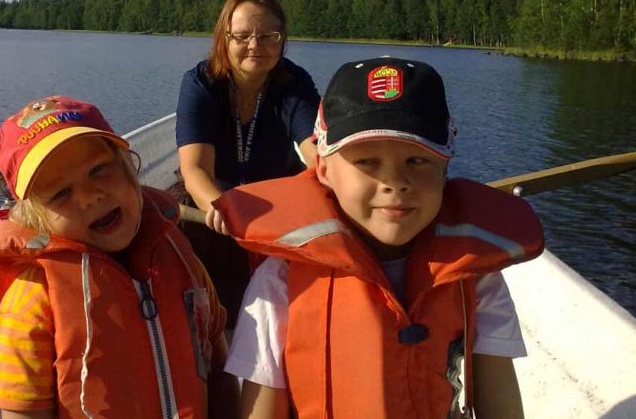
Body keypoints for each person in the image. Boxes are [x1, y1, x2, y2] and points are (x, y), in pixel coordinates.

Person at [213, 57, 545, 419]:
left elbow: (501, 406)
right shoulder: (279, 282)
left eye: (417, 161)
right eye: (368, 162)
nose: (395, 182)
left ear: (445, 166)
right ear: (323, 168)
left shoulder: (475, 275)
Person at [0, 95, 238, 418]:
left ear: (127, 166)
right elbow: (23, 411)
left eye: (98, 170)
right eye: (61, 193)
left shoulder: (179, 254)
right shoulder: (31, 300)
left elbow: (218, 362)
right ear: (35, 218)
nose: (89, 196)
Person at [176, 0, 320, 330]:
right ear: (224, 39)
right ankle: (205, 327)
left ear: (282, 39)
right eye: (242, 36)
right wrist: (222, 209)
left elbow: (317, 151)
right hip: (212, 205)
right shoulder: (202, 83)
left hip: (274, 207)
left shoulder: (294, 83)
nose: (255, 45)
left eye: (268, 35)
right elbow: (194, 168)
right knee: (193, 246)